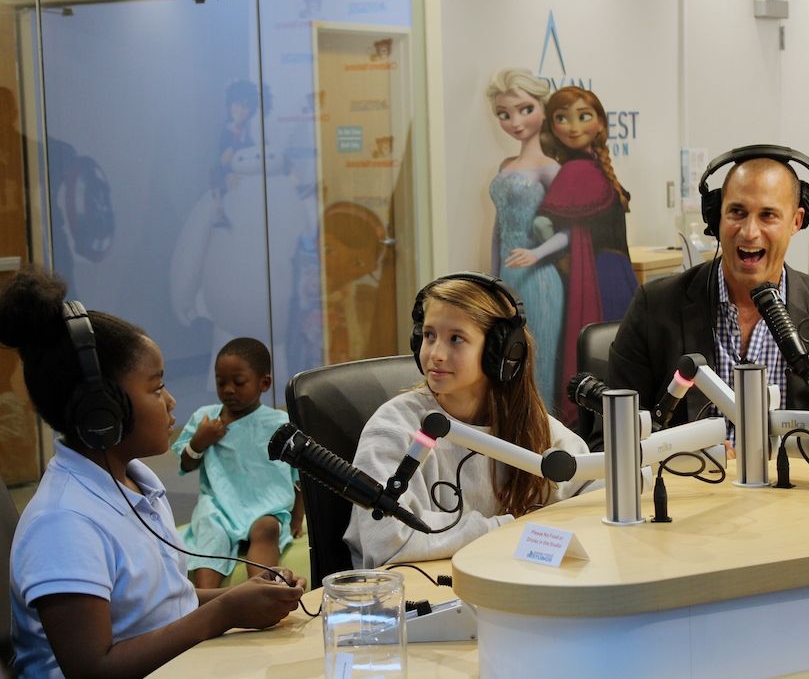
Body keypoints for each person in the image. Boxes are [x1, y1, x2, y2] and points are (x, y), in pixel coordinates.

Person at [0, 267, 305, 678]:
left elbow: (164, 603)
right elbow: (93, 668)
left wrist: (243, 598)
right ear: (102, 411)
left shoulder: (135, 481)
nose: (171, 402)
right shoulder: (64, 521)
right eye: (156, 387)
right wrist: (222, 614)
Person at [606, 146, 809, 446]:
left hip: (797, 489)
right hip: (693, 489)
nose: (749, 232)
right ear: (716, 216)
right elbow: (611, 439)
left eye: (768, 215)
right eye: (737, 212)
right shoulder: (655, 307)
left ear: (796, 222)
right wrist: (683, 458)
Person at [343, 273, 592, 568]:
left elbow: (591, 489)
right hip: (419, 595)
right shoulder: (392, 427)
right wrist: (505, 529)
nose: (436, 354)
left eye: (456, 339)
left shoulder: (528, 424)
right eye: (429, 335)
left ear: (498, 352)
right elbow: (385, 542)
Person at [506, 86, 638, 424]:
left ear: (599, 122)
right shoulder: (586, 168)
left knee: (600, 358)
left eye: (583, 116)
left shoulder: (579, 170)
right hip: (613, 272)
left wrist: (539, 241)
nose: (573, 126)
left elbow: (557, 229)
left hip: (598, 277)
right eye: (562, 118)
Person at [173, 337, 304, 589]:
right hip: (219, 506)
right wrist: (199, 442)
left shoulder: (279, 423)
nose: (228, 390)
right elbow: (186, 464)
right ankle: (204, 603)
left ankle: (261, 591)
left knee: (266, 529)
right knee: (210, 533)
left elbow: (298, 477)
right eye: (221, 383)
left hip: (266, 506)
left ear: (264, 383)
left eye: (238, 383)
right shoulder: (205, 419)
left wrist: (297, 517)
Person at [485, 68, 563, 411]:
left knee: (538, 362)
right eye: (504, 114)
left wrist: (536, 253)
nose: (515, 122)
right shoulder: (506, 164)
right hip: (506, 276)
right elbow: (499, 227)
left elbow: (569, 231)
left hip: (539, 279)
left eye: (524, 110)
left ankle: (545, 437)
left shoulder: (550, 168)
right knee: (506, 361)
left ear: (543, 109)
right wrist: (490, 280)